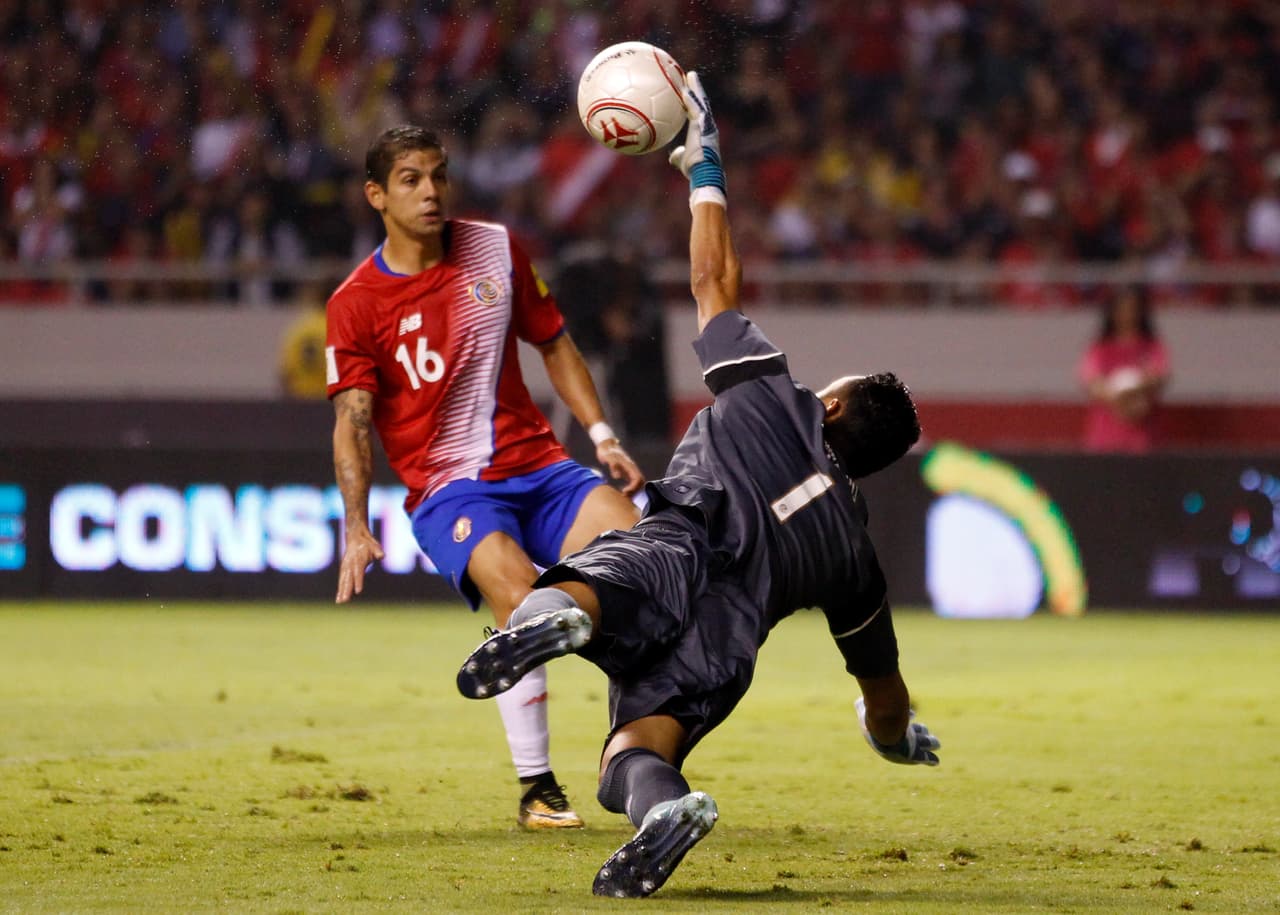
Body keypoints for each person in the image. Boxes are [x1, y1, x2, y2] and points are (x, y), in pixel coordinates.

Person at [455, 73, 941, 898]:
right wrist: (895, 739)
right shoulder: (856, 557)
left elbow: (713, 283)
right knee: (631, 755)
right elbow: (884, 698)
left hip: (673, 551)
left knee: (583, 586)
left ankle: (557, 620)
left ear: (829, 402)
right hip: (727, 635)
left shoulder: (771, 397)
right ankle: (663, 810)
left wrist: (704, 165)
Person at [325, 125, 645, 830]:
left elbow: (554, 342)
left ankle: (637, 756)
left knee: (646, 559)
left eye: (439, 175)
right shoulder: (355, 303)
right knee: (520, 593)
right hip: (451, 490)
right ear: (376, 195)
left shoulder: (495, 248)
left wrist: (602, 435)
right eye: (411, 179)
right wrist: (355, 525)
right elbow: (352, 421)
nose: (431, 191)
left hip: (540, 465)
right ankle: (538, 788)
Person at [1078, 284, 1171, 453]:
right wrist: (1119, 400)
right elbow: (1092, 382)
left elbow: (1158, 376)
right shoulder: (1100, 349)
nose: (1128, 314)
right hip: (1105, 436)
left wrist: (1135, 393)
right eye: (1122, 309)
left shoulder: (1152, 347)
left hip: (1142, 436)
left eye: (1133, 309)